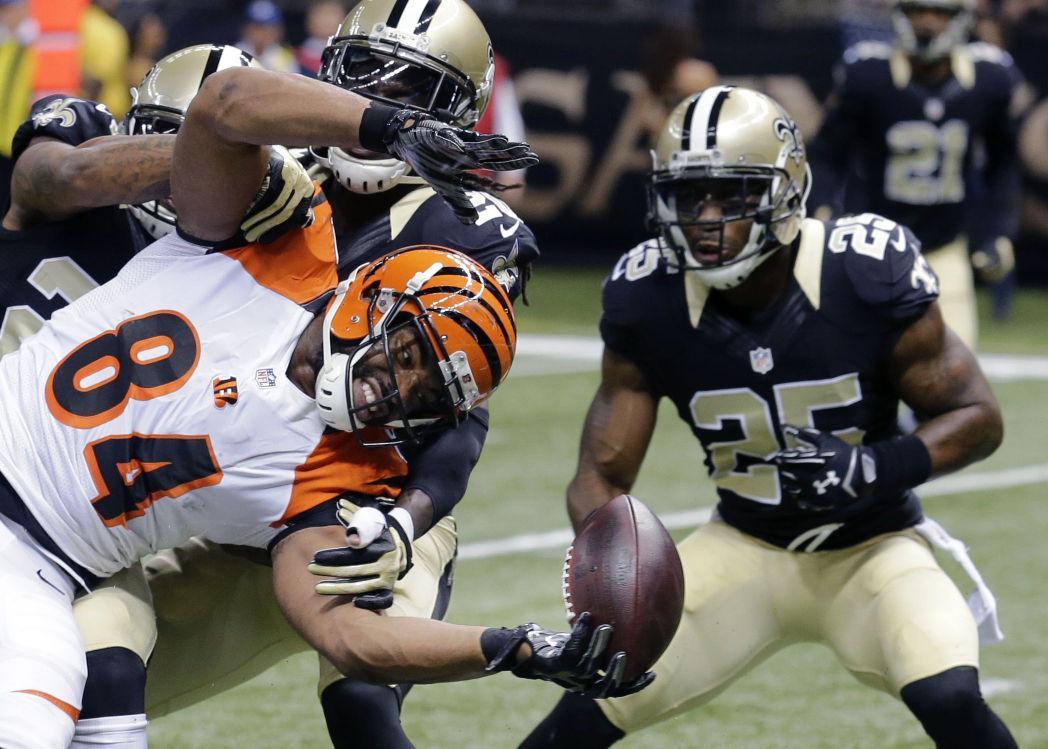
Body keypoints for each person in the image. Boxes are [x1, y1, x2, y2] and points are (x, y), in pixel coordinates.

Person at [0, 55, 649, 749]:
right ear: (370, 296)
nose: (396, 391)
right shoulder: (276, 236)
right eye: (406, 355)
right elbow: (225, 102)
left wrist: (510, 646)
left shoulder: (333, 472)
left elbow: (352, 636)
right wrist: (392, 123)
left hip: (34, 565)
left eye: (425, 393)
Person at [520, 86, 1017, 749]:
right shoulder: (649, 297)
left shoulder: (862, 272)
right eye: (690, 196)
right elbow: (599, 475)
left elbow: (977, 416)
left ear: (787, 189)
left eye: (733, 194)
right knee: (580, 713)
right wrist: (612, 572)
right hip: (742, 548)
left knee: (950, 695)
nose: (708, 218)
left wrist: (876, 464)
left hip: (872, 550)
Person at [808, 0, 1027, 347]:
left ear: (960, 19)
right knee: (863, 366)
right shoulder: (868, 73)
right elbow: (825, 155)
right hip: (873, 244)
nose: (926, 23)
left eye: (939, 13)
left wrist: (997, 230)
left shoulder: (989, 77)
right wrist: (822, 209)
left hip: (945, 246)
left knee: (952, 373)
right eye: (917, 12)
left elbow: (1003, 164)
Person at [237, 0, 301, 74]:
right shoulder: (233, 53)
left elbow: (292, 85)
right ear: (245, 29)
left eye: (266, 28)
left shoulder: (285, 58)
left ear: (277, 31)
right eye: (256, 27)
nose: (260, 34)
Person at [296, 0, 345, 75]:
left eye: (331, 14)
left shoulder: (350, 58)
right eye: (320, 13)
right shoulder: (293, 58)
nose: (326, 20)